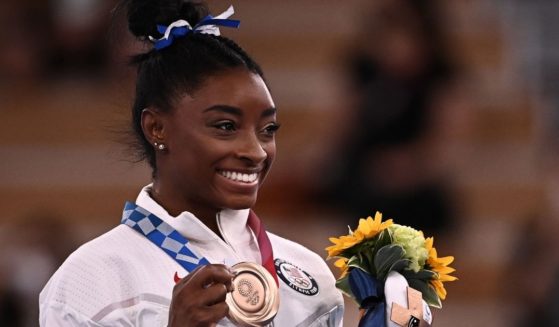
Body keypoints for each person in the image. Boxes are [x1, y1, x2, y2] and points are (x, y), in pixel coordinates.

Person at [38, 1, 344, 326]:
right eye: (226, 126)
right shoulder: (91, 281)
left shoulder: (310, 276)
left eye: (267, 130)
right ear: (157, 128)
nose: (256, 151)